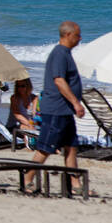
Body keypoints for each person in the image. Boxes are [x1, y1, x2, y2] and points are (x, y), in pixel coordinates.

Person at [25, 22, 87, 193]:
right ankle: (28, 178)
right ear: (68, 35)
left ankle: (75, 184)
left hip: (65, 110)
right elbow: (59, 80)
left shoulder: (65, 53)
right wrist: (76, 103)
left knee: (71, 146)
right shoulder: (59, 53)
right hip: (56, 109)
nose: (80, 38)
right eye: (77, 35)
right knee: (46, 147)